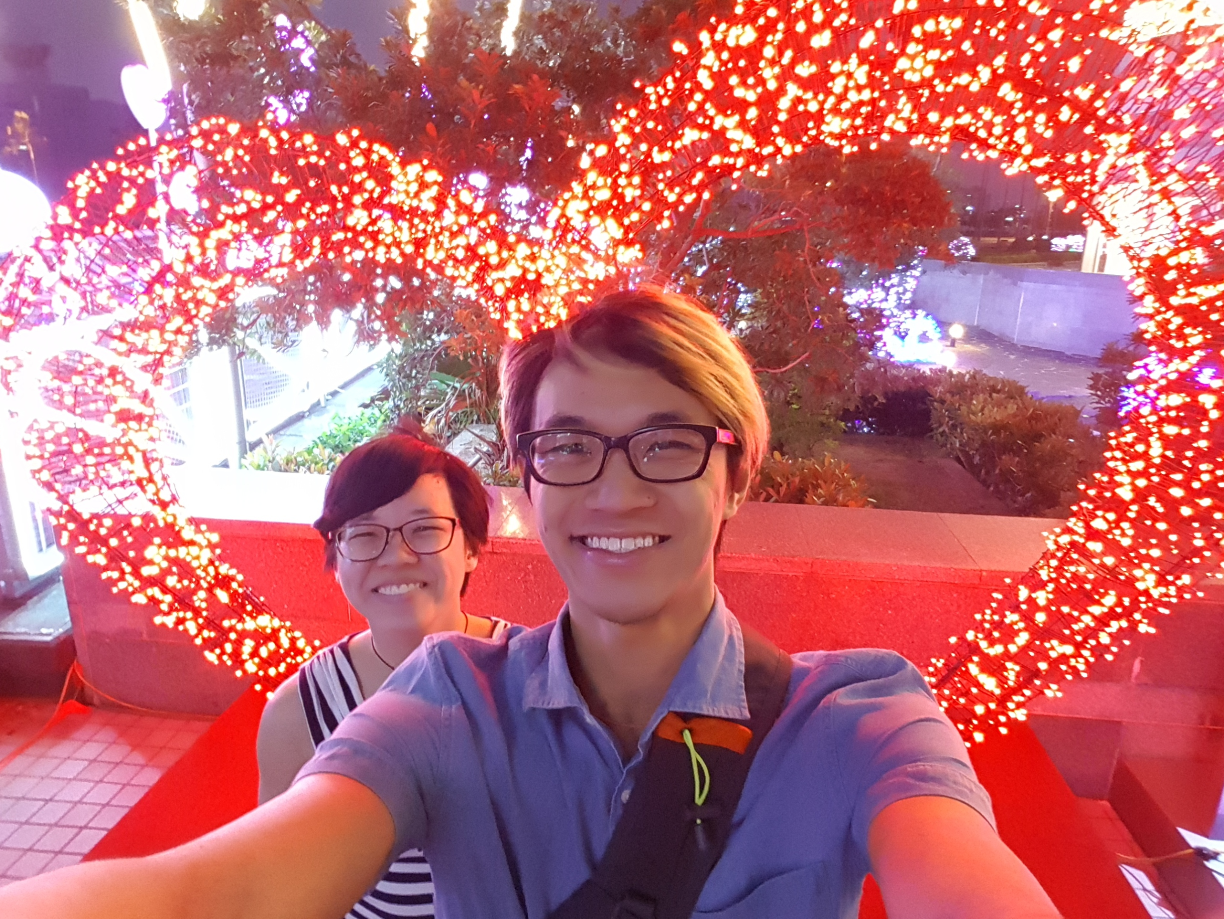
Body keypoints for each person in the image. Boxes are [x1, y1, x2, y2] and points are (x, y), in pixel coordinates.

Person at [0, 288, 1060, 919]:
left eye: (666, 442)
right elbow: (215, 890)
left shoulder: (861, 719)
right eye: (569, 447)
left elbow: (971, 885)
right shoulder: (447, 702)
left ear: (736, 474)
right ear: (528, 482)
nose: (616, 490)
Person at [255, 422, 511, 919]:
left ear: (471, 548)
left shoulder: (535, 676)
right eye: (365, 534)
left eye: (425, 529)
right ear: (336, 558)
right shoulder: (299, 714)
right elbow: (280, 885)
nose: (396, 556)